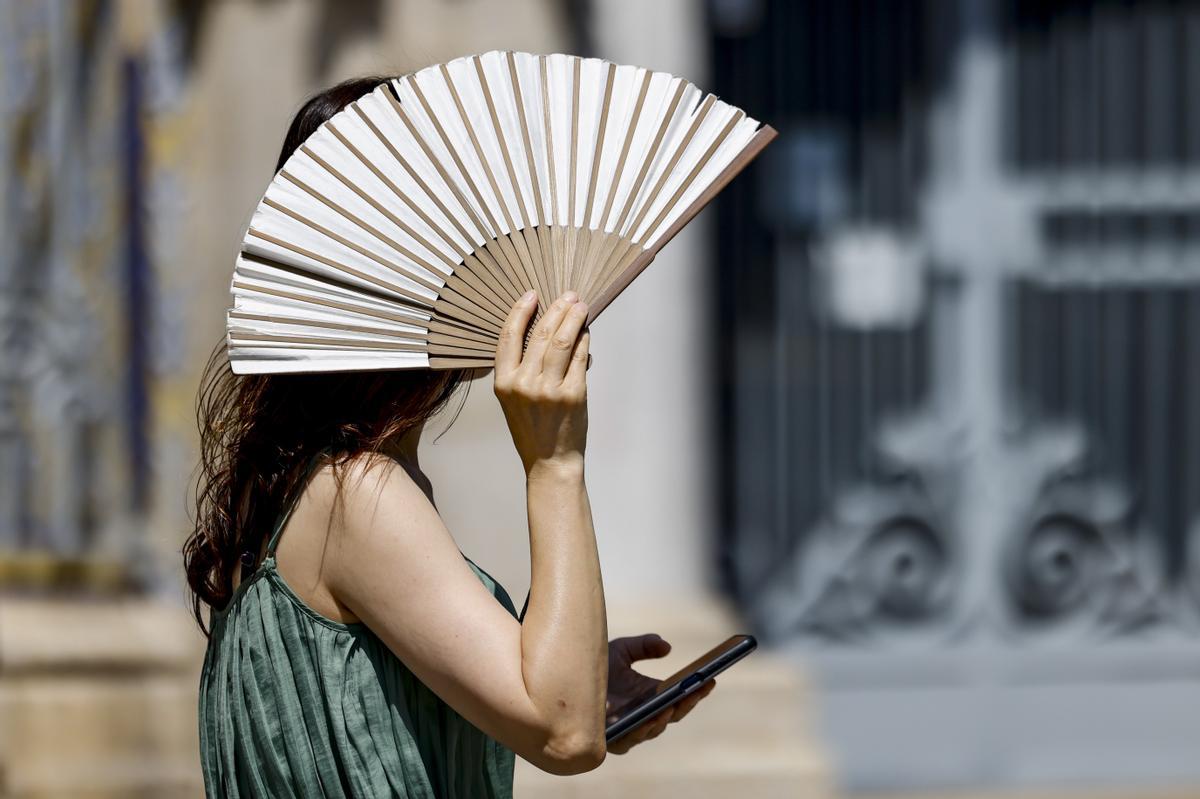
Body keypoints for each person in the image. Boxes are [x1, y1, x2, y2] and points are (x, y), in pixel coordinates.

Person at [184, 76, 716, 798]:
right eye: (472, 235)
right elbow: (565, 733)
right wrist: (554, 458)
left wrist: (573, 675)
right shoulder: (358, 495)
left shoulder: (297, 483)